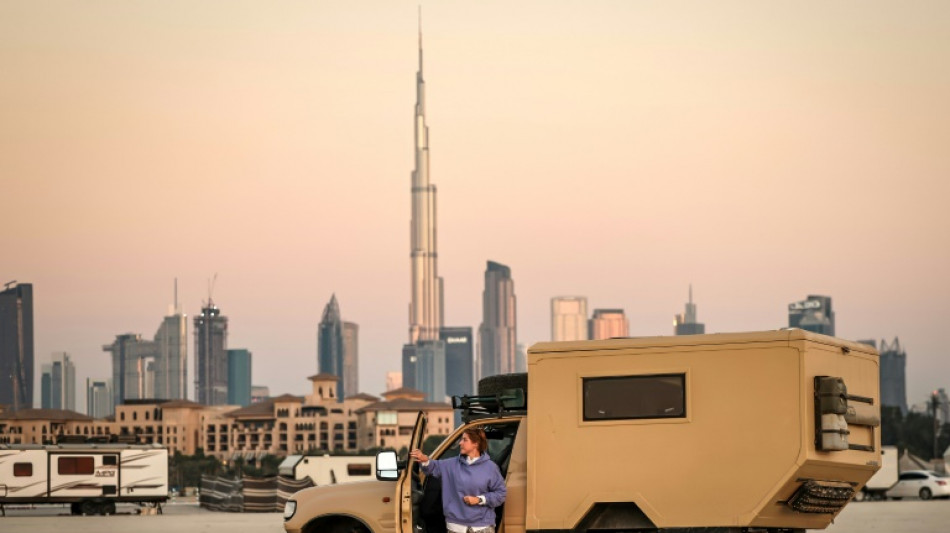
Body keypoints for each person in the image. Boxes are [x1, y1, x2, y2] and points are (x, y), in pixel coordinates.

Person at [409, 428, 506, 533]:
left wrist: (479, 499)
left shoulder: (490, 468)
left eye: (465, 440)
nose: (460, 443)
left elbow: (501, 494)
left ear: (476, 443)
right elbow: (432, 467)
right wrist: (424, 459)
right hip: (456, 527)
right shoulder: (451, 465)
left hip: (483, 527)